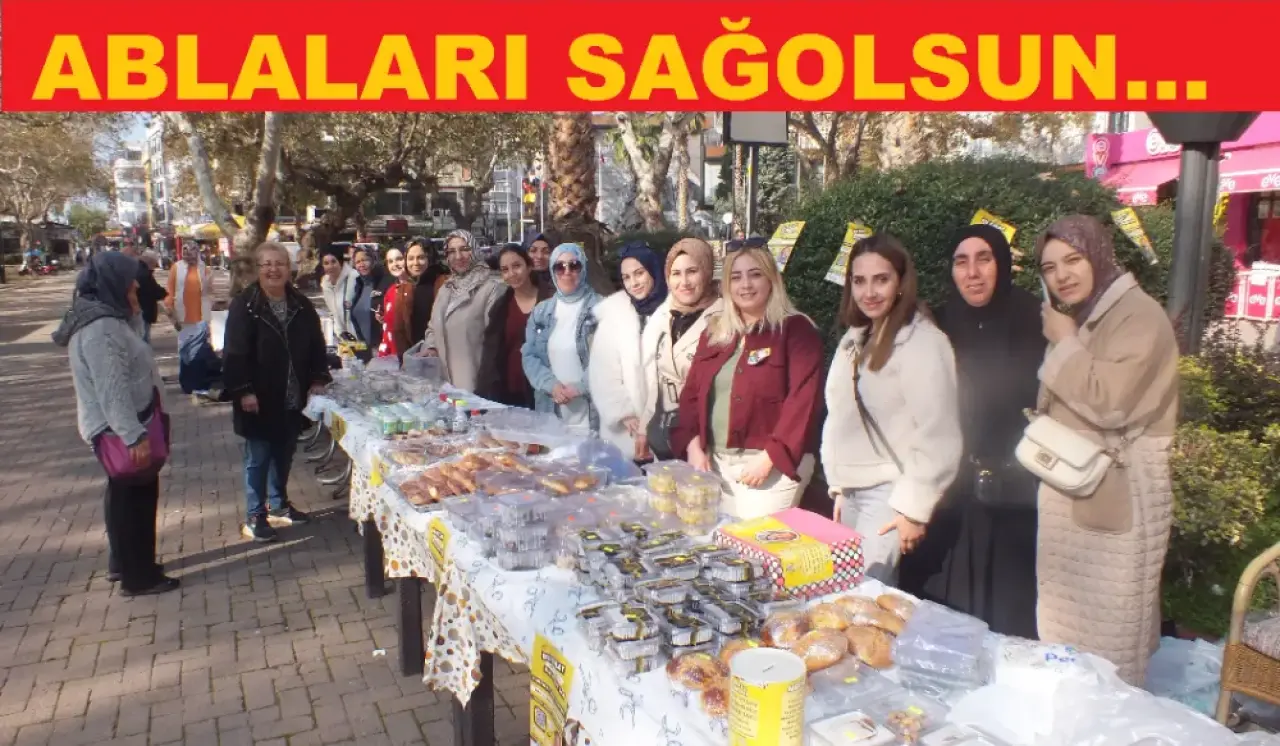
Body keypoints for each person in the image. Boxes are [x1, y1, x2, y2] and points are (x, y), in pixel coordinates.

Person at [1032, 215, 1179, 686]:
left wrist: (1065, 342)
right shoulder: (1089, 314)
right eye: (1050, 267)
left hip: (1114, 496)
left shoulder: (1138, 316)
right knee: (1069, 652)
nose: (1062, 275)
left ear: (1098, 255)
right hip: (1077, 493)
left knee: (1111, 658)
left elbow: (1110, 402)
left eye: (1073, 260)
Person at [897, 225, 1044, 637]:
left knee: (1008, 617)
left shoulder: (1035, 321)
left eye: (984, 259)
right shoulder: (939, 326)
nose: (973, 273)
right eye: (961, 262)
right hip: (952, 496)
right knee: (943, 616)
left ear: (1002, 264)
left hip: (1012, 498)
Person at [821, 234, 962, 584]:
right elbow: (839, 415)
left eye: (881, 279)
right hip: (851, 491)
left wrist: (913, 509)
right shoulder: (854, 337)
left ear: (900, 282)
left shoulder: (923, 342)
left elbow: (938, 433)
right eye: (859, 281)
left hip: (889, 494)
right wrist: (840, 485)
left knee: (866, 597)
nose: (869, 292)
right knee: (842, 594)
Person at [53, 252, 178, 596]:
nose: (136, 284)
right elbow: (112, 389)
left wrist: (133, 313)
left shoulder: (110, 318)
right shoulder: (101, 329)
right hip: (121, 429)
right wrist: (133, 436)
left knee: (131, 494)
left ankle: (132, 564)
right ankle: (138, 577)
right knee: (133, 500)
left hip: (128, 423)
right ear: (113, 283)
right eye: (129, 279)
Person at [670, 247, 824, 520]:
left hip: (771, 469)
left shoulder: (796, 331)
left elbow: (804, 402)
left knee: (755, 544)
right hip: (715, 465)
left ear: (771, 280)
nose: (745, 284)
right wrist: (693, 446)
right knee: (718, 542)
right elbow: (691, 395)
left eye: (755, 275)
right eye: (736, 277)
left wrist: (770, 457)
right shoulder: (715, 333)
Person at [223, 242, 332, 543]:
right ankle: (255, 514)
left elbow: (317, 345)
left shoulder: (301, 304)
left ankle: (279, 504)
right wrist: (243, 390)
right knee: (258, 456)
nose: (274, 269)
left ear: (289, 268)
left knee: (284, 453)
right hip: (258, 396)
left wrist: (318, 378)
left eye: (280, 263)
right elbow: (234, 353)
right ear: (257, 269)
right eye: (267, 264)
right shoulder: (245, 305)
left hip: (293, 395)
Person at [641, 238, 724, 461]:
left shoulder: (725, 316)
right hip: (662, 433)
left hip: (705, 439)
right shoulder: (663, 314)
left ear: (706, 271)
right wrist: (644, 426)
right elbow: (651, 375)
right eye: (676, 273)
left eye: (692, 271)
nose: (684, 282)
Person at [587, 242, 668, 459]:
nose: (634, 283)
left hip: (667, 427)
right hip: (626, 431)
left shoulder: (672, 311)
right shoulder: (614, 315)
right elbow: (603, 371)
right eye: (626, 277)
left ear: (653, 270)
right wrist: (624, 412)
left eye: (639, 273)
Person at [522, 243, 602, 433]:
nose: (567, 272)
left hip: (593, 419)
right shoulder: (541, 312)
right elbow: (529, 355)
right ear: (552, 270)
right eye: (560, 266)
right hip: (551, 416)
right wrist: (551, 385)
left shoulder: (602, 308)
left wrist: (581, 387)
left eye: (574, 265)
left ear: (583, 268)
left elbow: (610, 359)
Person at [420, 230, 505, 390]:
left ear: (475, 250)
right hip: (443, 384)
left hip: (475, 384)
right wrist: (431, 347)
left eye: (465, 249)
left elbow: (495, 342)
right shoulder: (446, 288)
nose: (458, 257)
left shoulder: (491, 288)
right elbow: (433, 327)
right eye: (451, 251)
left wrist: (486, 383)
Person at [476, 245, 552, 407]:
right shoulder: (501, 307)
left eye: (517, 266)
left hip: (544, 392)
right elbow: (490, 354)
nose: (511, 274)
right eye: (505, 270)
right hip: (508, 393)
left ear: (529, 266)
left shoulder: (550, 302)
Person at [395, 237, 449, 353]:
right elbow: (400, 331)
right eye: (410, 258)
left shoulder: (444, 283)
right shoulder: (404, 288)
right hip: (414, 356)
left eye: (421, 257)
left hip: (443, 354)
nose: (416, 263)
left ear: (430, 258)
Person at [348, 246, 390, 359]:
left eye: (365, 260)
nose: (361, 264)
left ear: (373, 260)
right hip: (365, 350)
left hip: (383, 350)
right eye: (358, 262)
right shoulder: (359, 284)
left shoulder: (385, 282)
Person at [164, 242, 213, 330]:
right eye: (185, 253)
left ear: (197, 253)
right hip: (182, 314)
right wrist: (169, 306)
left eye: (190, 253)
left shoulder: (203, 267)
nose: (187, 256)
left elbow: (209, 290)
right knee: (185, 337)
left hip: (202, 314)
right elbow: (170, 290)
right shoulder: (176, 267)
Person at [318, 247, 357, 345]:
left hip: (359, 336)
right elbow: (334, 313)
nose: (330, 266)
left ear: (340, 261)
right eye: (326, 263)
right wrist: (340, 334)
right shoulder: (325, 283)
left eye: (333, 262)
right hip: (343, 338)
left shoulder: (354, 278)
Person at [375, 247, 407, 358]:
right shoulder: (390, 291)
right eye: (390, 261)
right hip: (393, 355)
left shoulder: (416, 288)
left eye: (399, 259)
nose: (395, 264)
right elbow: (387, 330)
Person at [136, 250, 168, 344]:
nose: (155, 265)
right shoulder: (144, 273)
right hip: (144, 310)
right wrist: (164, 293)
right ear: (150, 261)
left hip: (141, 309)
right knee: (143, 338)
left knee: (142, 336)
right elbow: (153, 290)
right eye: (155, 262)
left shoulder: (139, 269)